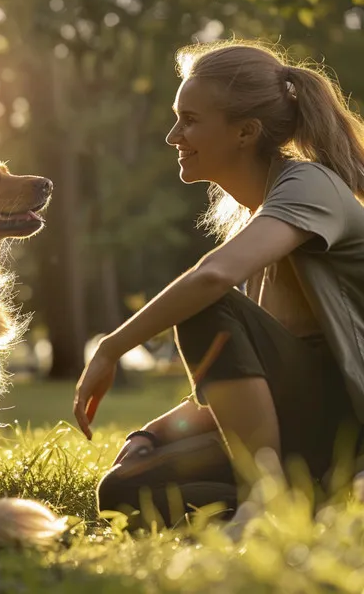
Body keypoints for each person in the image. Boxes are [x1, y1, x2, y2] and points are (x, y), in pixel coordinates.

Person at [73, 41, 364, 526]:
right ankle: (306, 501)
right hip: (302, 422)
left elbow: (212, 279)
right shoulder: (262, 219)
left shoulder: (310, 186)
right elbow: (244, 387)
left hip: (343, 422)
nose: (172, 136)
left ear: (245, 132)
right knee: (124, 489)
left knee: (205, 302)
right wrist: (150, 436)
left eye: (189, 120)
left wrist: (111, 347)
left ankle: (264, 496)